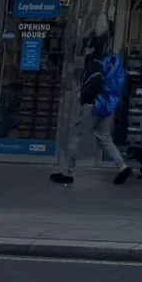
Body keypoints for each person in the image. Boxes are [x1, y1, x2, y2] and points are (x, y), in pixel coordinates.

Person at [50, 37, 130, 186]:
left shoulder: (93, 63)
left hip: (91, 105)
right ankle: (122, 166)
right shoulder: (111, 62)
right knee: (105, 137)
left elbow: (94, 84)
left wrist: (84, 98)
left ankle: (67, 172)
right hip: (106, 107)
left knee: (75, 137)